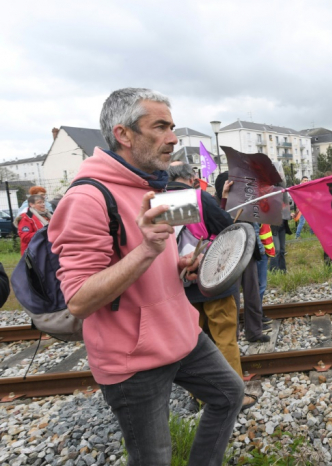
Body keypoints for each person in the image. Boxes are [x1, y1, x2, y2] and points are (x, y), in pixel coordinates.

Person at [49, 88, 245, 465]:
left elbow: (151, 261)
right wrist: (147, 251)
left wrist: (179, 265)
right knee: (154, 457)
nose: (173, 138)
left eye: (171, 127)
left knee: (229, 394)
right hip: (132, 359)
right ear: (124, 134)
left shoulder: (151, 184)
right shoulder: (87, 198)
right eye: (160, 127)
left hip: (182, 335)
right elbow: (79, 299)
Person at [167, 162, 257, 411]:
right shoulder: (198, 198)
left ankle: (200, 395)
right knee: (225, 337)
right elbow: (226, 229)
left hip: (181, 281)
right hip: (212, 278)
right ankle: (234, 394)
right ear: (190, 177)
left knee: (196, 342)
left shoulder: (160, 201)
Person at [215, 172, 272, 341]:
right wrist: (224, 197)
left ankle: (254, 332)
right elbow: (221, 222)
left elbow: (255, 222)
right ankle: (231, 335)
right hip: (228, 255)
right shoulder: (218, 203)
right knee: (231, 298)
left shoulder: (244, 201)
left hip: (248, 251)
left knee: (252, 293)